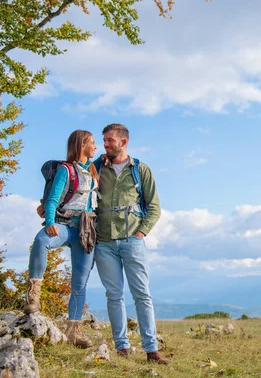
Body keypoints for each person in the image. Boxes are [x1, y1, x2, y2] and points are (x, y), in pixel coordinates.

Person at [93, 123, 168, 364]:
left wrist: (141, 234)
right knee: (114, 296)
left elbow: (154, 207)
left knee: (142, 295)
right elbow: (77, 188)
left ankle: (151, 350)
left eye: (110, 140)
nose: (105, 144)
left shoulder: (140, 170)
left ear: (123, 142)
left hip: (132, 239)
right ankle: (122, 348)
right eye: (104, 140)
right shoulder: (96, 167)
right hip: (103, 241)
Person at [25, 130, 98, 349]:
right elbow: (53, 199)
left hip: (86, 230)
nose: (96, 147)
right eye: (92, 143)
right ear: (81, 145)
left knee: (80, 282)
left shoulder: (94, 171)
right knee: (41, 241)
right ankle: (32, 297)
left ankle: (74, 332)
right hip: (65, 225)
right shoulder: (65, 170)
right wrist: (49, 223)